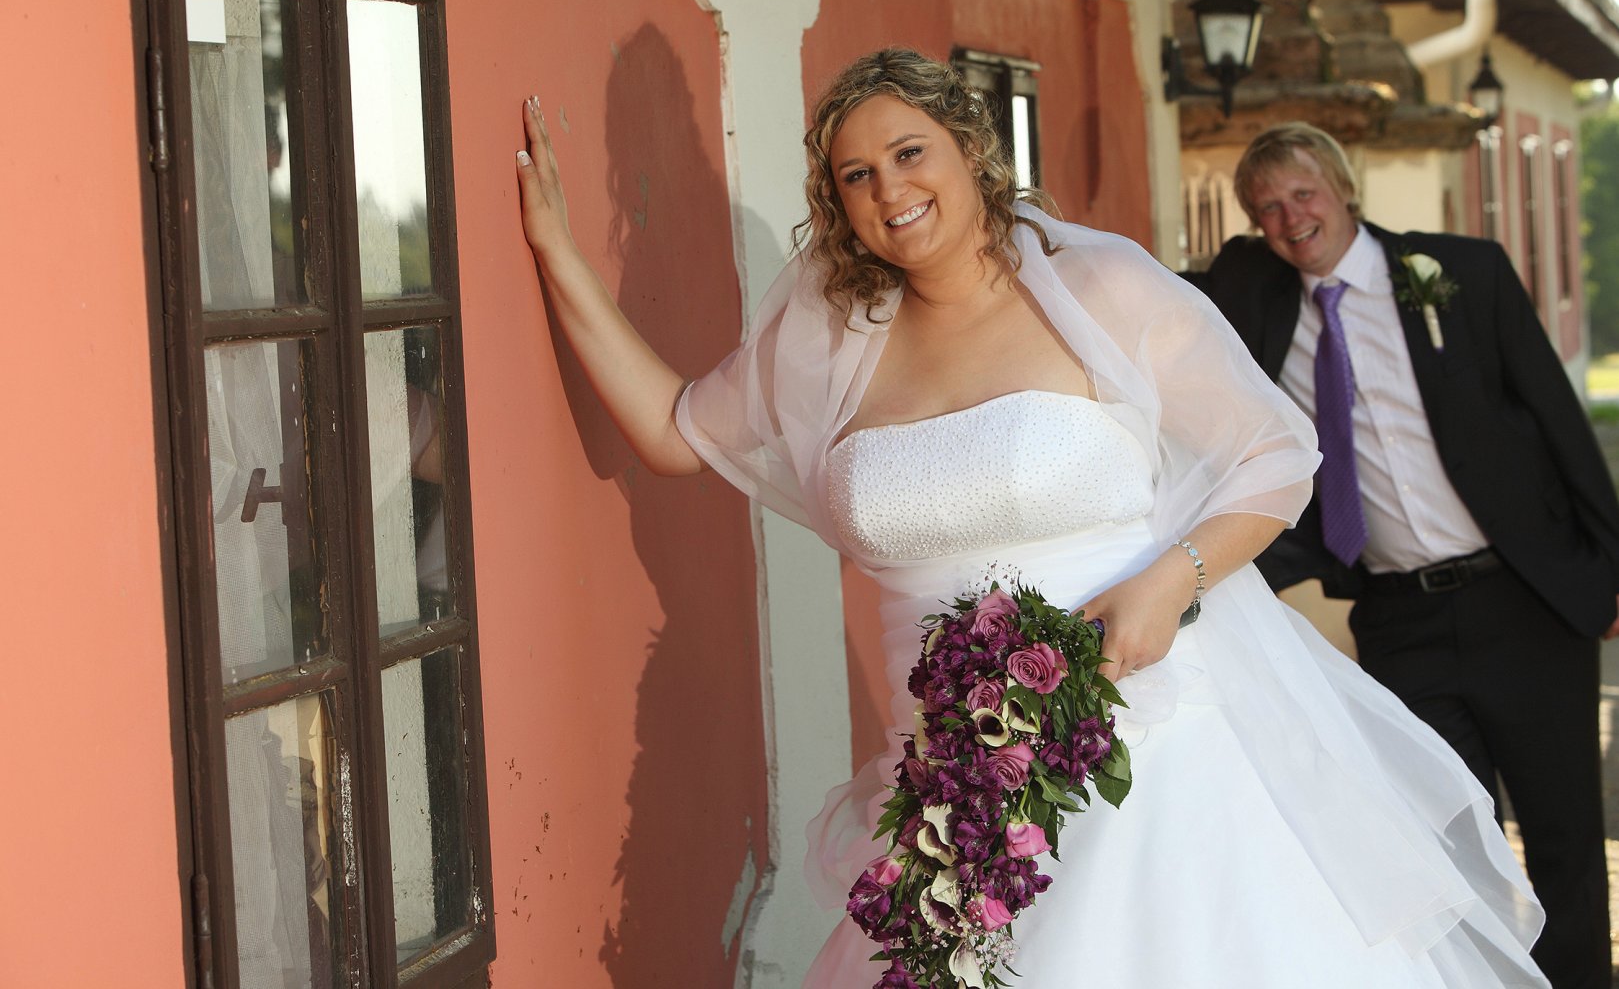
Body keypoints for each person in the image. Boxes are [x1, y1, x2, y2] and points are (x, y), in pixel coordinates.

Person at [517, 51, 1548, 986]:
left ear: (969, 149)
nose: (889, 191)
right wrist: (556, 250)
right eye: (855, 175)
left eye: (908, 153)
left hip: (1151, 738)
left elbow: (1273, 455)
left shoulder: (1099, 285)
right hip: (951, 784)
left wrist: (1171, 581)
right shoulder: (829, 337)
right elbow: (674, 430)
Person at [1198, 120, 1619, 989]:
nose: (1290, 218)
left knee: (1564, 838)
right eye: (1266, 208)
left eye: (1303, 194)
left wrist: (1608, 564)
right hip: (1398, 618)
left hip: (1523, 602)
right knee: (1442, 843)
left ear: (1343, 189)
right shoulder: (1257, 297)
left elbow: (1557, 419)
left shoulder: (1460, 273)